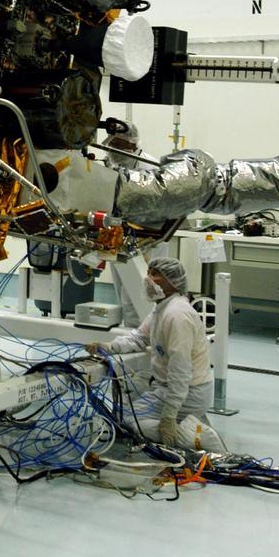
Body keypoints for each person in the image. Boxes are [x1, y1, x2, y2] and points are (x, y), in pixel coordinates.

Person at [85, 256, 216, 447]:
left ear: (173, 282)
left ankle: (190, 437)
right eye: (149, 272)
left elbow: (180, 371)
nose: (147, 278)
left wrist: (169, 416)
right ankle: (190, 424)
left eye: (155, 275)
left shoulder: (177, 315)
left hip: (189, 392)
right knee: (128, 413)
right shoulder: (162, 308)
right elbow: (139, 337)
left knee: (127, 421)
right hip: (172, 388)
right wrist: (109, 346)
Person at [101, 123, 154, 327]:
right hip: (119, 235)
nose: (112, 148)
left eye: (118, 144)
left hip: (147, 239)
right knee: (122, 288)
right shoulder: (110, 163)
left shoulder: (148, 166)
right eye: (111, 143)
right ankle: (131, 331)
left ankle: (141, 331)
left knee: (142, 289)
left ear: (131, 144)